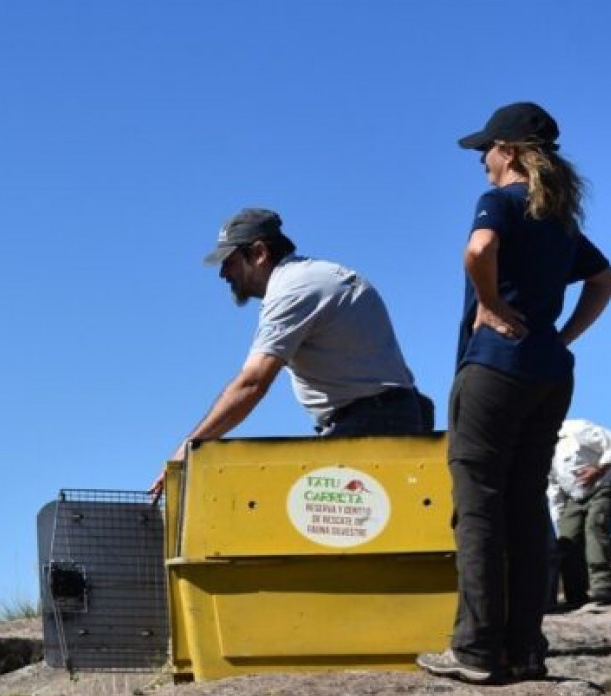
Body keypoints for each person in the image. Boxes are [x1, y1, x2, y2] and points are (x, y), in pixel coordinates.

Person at [417, 102, 611, 685]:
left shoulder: (502, 201)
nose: (481, 159)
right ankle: (526, 650)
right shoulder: (559, 220)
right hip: (551, 372)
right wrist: (562, 333)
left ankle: (476, 650)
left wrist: (493, 305)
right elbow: (606, 280)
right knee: (528, 507)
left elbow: (479, 250)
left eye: (486, 149)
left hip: (494, 370)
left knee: (479, 507)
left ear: (507, 151)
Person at [149, 208, 430, 497]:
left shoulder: (292, 290)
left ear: (258, 253)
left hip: (370, 424)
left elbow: (252, 383)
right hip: (386, 415)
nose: (223, 274)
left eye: (229, 262)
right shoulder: (313, 275)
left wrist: (189, 449)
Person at [550, 418, 611, 607]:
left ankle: (603, 585)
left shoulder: (576, 429)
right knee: (567, 540)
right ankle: (575, 593)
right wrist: (560, 518)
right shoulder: (544, 448)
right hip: (574, 497)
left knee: (595, 528)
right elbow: (554, 489)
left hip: (603, 486)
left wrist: (598, 469)